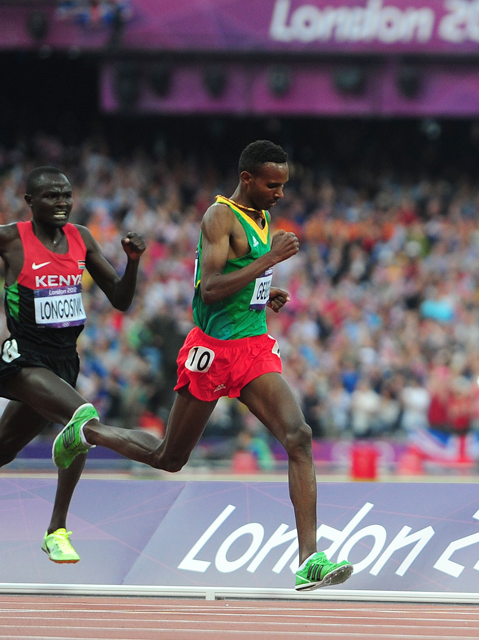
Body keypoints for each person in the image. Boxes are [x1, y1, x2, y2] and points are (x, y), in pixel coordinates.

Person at [51, 140, 353, 592]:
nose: (280, 194)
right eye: (273, 185)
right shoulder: (219, 217)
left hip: (251, 347)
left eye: (284, 186)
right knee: (169, 458)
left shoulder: (262, 215)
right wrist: (270, 260)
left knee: (300, 437)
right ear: (247, 179)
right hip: (211, 352)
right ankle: (86, 433)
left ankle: (308, 559)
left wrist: (263, 293)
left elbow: (239, 276)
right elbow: (210, 288)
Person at [0, 167, 146, 564]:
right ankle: (57, 530)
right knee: (82, 421)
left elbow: (120, 299)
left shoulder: (80, 238)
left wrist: (133, 261)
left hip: (63, 363)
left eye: (66, 196)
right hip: (23, 359)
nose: (62, 203)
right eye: (52, 196)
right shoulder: (9, 238)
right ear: (30, 202)